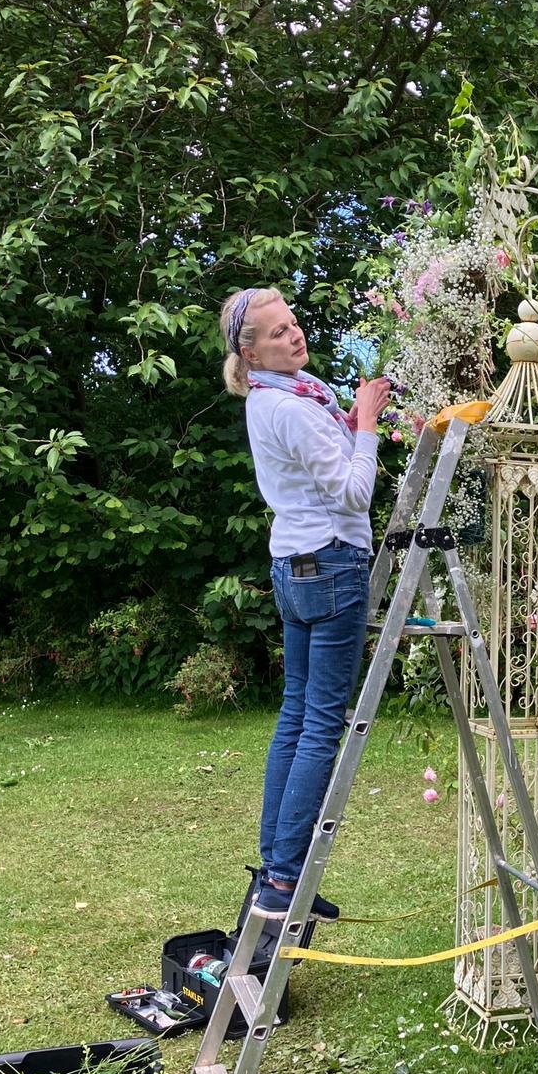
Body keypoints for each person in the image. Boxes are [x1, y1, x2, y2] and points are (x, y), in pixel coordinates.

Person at [220, 285, 390, 917]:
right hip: (333, 565)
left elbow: (320, 469)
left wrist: (345, 424)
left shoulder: (285, 395)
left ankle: (275, 866)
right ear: (250, 351)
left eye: (292, 324)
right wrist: (367, 423)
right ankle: (287, 878)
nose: (293, 336)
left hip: (294, 567)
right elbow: (351, 496)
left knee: (295, 718)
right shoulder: (289, 405)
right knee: (320, 723)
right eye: (276, 333)